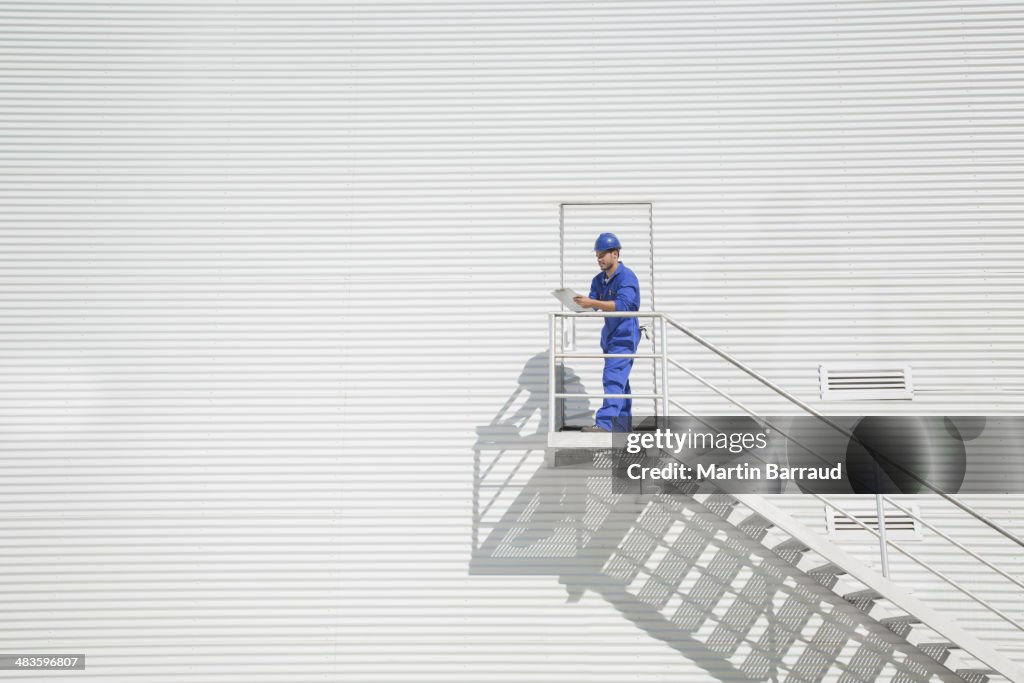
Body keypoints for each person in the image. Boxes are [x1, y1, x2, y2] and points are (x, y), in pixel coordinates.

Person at [573, 232, 641, 432]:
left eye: (603, 254)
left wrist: (592, 302)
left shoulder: (627, 277)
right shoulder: (598, 280)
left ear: (616, 254)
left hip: (625, 336)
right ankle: (622, 426)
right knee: (620, 382)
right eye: (597, 255)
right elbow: (593, 305)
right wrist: (576, 302)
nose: (599, 259)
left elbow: (625, 305)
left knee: (612, 377)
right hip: (610, 338)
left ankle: (605, 424)